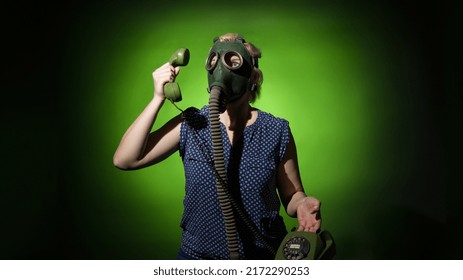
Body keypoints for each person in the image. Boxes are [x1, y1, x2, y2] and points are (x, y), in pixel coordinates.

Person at [113, 33, 321, 260]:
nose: (221, 70)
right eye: (214, 61)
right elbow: (125, 159)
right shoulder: (192, 123)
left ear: (253, 75)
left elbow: (292, 195)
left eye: (233, 62)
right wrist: (157, 98)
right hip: (197, 259)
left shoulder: (275, 130)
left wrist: (302, 203)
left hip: (259, 259)